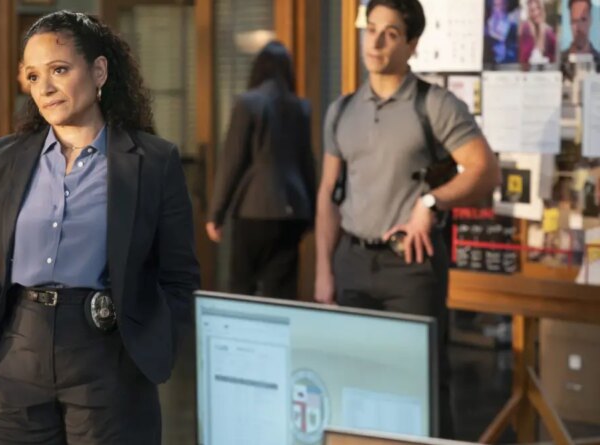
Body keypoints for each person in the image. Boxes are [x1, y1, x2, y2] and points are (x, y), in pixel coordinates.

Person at [0, 10, 200, 444]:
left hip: (108, 360)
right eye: (33, 76)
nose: (44, 88)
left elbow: (179, 278)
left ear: (99, 71)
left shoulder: (153, 162)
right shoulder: (5, 158)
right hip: (11, 357)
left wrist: (149, 347)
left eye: (59, 70)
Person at [314, 0, 501, 437]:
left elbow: (485, 171)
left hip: (411, 268)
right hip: (352, 262)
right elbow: (328, 193)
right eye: (371, 29)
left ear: (412, 44)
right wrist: (324, 270)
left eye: (391, 33)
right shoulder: (342, 110)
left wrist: (430, 202)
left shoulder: (434, 105)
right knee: (355, 383)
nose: (376, 42)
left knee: (421, 385)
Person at [206, 41, 316, 299]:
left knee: (243, 289)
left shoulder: (247, 103)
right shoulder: (301, 107)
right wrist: (313, 213)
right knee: (282, 293)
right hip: (293, 211)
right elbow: (307, 163)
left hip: (253, 210)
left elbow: (233, 161)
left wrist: (216, 213)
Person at [562, 0, 600, 79]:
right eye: (575, 21)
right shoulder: (560, 63)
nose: (579, 27)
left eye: (583, 19)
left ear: (590, 20)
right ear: (570, 22)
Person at [519, 0, 557, 64]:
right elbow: (523, 59)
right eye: (532, 10)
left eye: (538, 8)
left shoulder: (549, 33)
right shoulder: (526, 29)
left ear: (542, 9)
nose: (536, 13)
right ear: (529, 13)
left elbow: (554, 59)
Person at [484, 0, 519, 64]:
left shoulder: (511, 22)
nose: (499, 8)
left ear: (506, 5)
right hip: (490, 57)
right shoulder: (489, 20)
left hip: (504, 59)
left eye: (501, 5)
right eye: (496, 5)